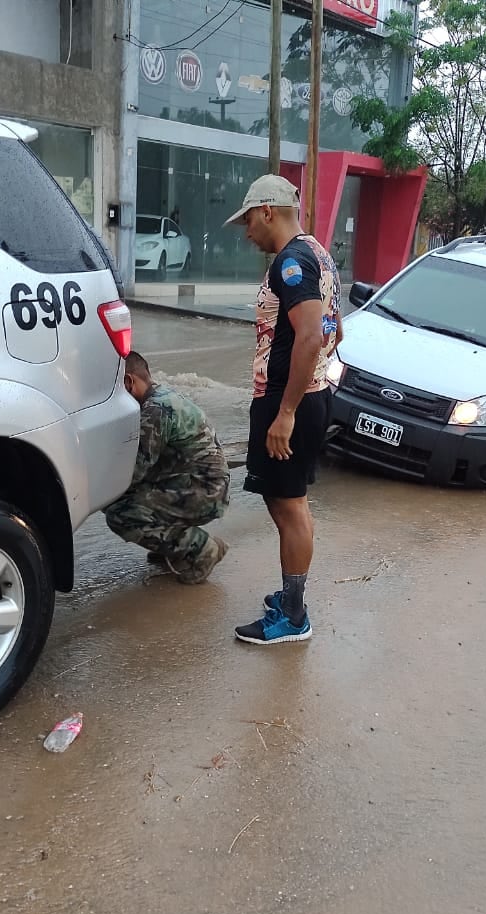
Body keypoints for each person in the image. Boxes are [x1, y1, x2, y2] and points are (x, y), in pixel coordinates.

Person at [225, 174, 342, 645]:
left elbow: (312, 335)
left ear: (268, 211)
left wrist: (287, 412)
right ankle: (293, 601)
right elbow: (334, 327)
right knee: (289, 503)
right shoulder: (319, 253)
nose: (246, 230)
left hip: (288, 400)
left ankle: (293, 618)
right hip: (308, 393)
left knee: (288, 507)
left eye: (249, 219)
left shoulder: (292, 262)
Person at [103, 351, 230, 584]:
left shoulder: (155, 411)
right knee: (127, 496)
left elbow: (134, 472)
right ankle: (171, 545)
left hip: (206, 493)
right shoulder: (162, 396)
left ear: (129, 382)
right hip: (205, 484)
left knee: (120, 513)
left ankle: (203, 549)